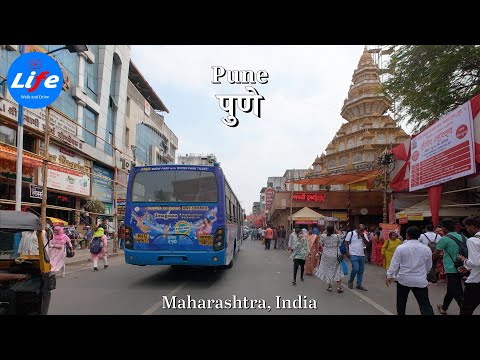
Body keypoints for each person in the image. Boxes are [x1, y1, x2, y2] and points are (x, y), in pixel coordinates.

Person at [386, 226, 434, 315]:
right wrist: (424, 274)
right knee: (425, 304)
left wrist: (389, 275)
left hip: (404, 279)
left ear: (407, 235)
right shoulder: (426, 249)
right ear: (419, 236)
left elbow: (394, 264)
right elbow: (429, 266)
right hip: (420, 280)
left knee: (401, 303)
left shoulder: (401, 248)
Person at [433, 218, 467, 315]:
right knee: (451, 289)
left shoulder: (445, 239)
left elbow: (436, 254)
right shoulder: (464, 237)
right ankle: (444, 308)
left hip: (451, 269)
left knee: (457, 292)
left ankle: (465, 311)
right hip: (463, 267)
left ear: (444, 228)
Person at [457, 216, 480, 315]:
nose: (467, 230)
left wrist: (464, 261)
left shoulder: (473, 240)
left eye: (467, 227)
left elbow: (475, 262)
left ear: (472, 226)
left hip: (476, 281)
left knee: (466, 310)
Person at [315, 225, 344, 293]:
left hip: (326, 255)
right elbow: (341, 235)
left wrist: (326, 229)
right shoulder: (336, 236)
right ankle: (339, 287)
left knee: (328, 271)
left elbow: (321, 239)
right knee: (337, 270)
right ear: (333, 230)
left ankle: (330, 286)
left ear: (327, 230)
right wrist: (336, 229)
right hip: (335, 256)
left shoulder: (324, 236)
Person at [345, 224, 370, 290]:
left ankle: (359, 284)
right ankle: (350, 280)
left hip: (361, 254)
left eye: (363, 230)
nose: (362, 231)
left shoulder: (364, 234)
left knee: (361, 270)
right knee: (355, 268)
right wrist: (347, 252)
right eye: (361, 230)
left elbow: (367, 244)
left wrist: (363, 237)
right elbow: (346, 242)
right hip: (353, 254)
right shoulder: (351, 233)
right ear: (357, 228)